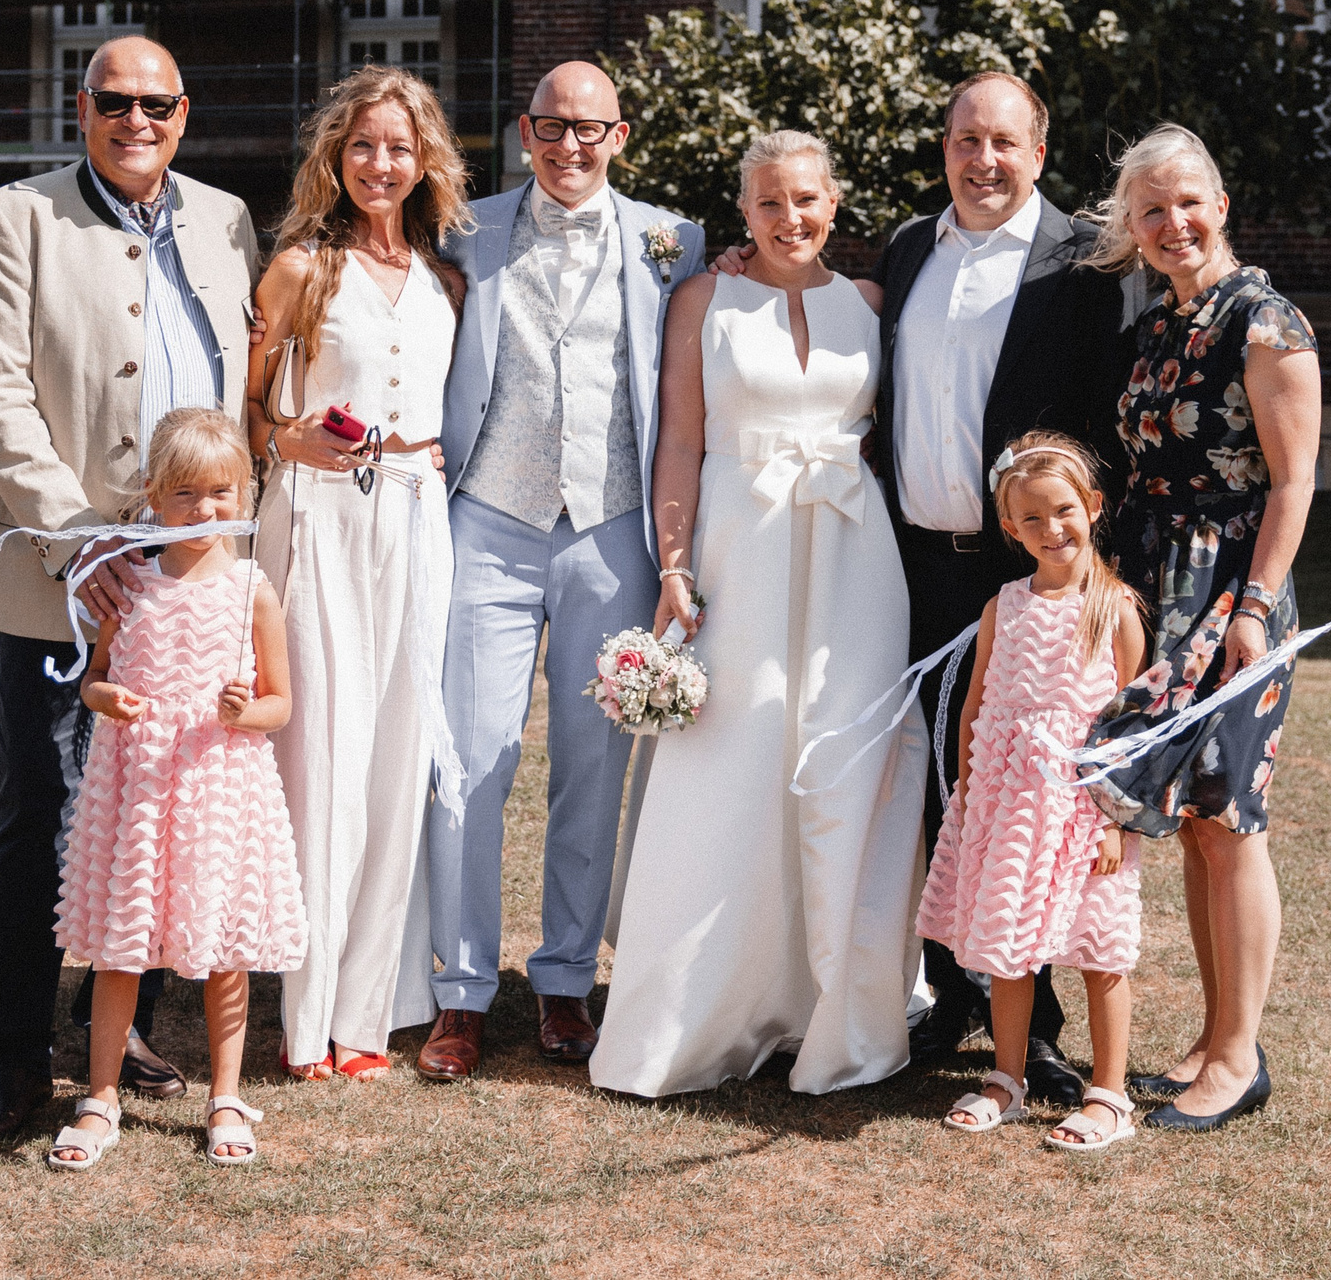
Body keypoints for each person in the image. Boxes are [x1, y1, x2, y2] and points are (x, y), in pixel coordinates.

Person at [0, 36, 259, 1146]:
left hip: (190, 578)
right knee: (42, 808)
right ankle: (11, 1053)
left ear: (186, 111)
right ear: (80, 107)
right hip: (67, 574)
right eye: (114, 101)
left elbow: (245, 382)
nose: (137, 119)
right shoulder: (16, 218)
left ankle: (119, 1027)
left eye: (158, 103)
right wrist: (82, 547)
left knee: (161, 811)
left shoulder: (228, 219)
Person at [589, 130, 919, 1098]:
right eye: (770, 202)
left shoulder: (867, 305)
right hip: (741, 549)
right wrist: (676, 563)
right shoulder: (705, 297)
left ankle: (836, 1009)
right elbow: (681, 441)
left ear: (834, 200)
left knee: (842, 764)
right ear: (743, 211)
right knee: (730, 764)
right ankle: (698, 1010)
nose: (790, 218)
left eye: (806, 199)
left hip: (854, 563)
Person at [414, 62, 705, 1082]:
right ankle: (458, 991)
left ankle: (566, 977)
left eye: (588, 128)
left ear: (620, 135)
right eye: (549, 126)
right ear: (523, 131)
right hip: (488, 519)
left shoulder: (676, 240)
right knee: (467, 760)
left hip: (612, 527)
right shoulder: (463, 228)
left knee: (593, 763)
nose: (568, 146)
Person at [867, 72, 1140, 1096]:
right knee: (950, 786)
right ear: (944, 145)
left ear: (1038, 148)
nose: (983, 160)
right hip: (916, 569)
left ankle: (1047, 1024)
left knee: (1049, 795)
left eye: (1004, 143)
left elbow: (1104, 419)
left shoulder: (1083, 259)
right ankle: (956, 989)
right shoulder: (907, 248)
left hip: (1031, 582)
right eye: (965, 139)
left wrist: (1074, 568)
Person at [1085, 123, 1320, 1134]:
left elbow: (1295, 477)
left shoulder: (1266, 323)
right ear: (1132, 228)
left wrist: (1258, 606)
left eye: (1188, 201)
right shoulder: (1154, 328)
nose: (1172, 222)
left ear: (1220, 204)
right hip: (1153, 589)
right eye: (1151, 209)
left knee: (1230, 819)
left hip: (1232, 595)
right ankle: (1212, 1033)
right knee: (1185, 820)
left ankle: (1238, 1057)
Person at [245, 64, 468, 1082]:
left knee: (395, 756)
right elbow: (243, 410)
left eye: (400, 146)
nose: (382, 163)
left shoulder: (442, 276)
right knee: (321, 759)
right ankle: (304, 1021)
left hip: (416, 517)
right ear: (337, 155)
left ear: (425, 162)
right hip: (319, 519)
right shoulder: (299, 267)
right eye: (365, 144)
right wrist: (285, 438)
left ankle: (367, 1018)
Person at [46, 409, 303, 1172]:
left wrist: (243, 711)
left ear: (245, 491)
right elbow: (90, 680)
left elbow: (280, 705)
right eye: (185, 494)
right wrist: (106, 700)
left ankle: (226, 1093)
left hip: (220, 786)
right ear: (153, 496)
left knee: (225, 945)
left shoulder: (252, 591)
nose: (205, 510)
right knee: (124, 946)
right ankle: (100, 1097)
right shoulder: (129, 587)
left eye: (222, 492)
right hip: (138, 789)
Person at [917, 434, 1145, 1153]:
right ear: (1010, 528)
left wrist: (1113, 820)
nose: (1054, 530)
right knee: (1009, 951)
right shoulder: (1003, 606)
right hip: (1009, 808)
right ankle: (1006, 1080)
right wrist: (966, 796)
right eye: (1034, 520)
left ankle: (1109, 1093)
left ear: (1094, 507)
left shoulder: (1114, 608)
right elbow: (977, 707)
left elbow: (1134, 726)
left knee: (1100, 948)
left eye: (1065, 512)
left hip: (1084, 813)